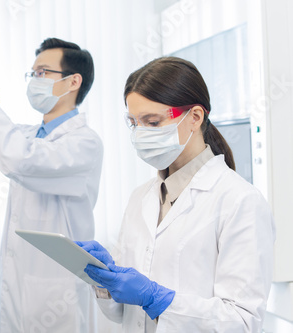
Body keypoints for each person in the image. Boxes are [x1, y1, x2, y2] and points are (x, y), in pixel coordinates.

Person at [76, 56, 275, 332]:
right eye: (134, 123)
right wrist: (104, 280)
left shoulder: (240, 201)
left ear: (194, 117)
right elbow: (122, 314)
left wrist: (158, 300)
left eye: (153, 122)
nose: (140, 134)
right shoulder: (140, 198)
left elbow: (242, 321)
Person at [0, 33, 103, 332]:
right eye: (33, 73)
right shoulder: (28, 135)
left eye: (43, 72)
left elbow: (22, 160)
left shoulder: (84, 144)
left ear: (73, 82)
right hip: (16, 283)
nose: (35, 79)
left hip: (56, 293)